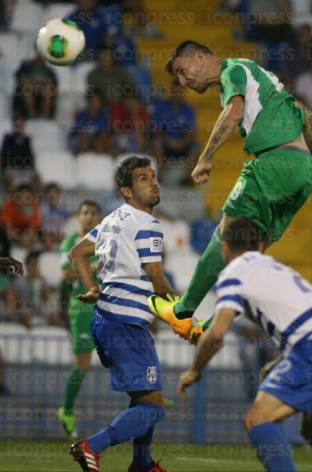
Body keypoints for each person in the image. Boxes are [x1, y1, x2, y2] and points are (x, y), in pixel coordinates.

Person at [148, 41, 312, 339]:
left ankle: (183, 310)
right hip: (304, 172)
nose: (183, 82)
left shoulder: (233, 70)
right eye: (179, 79)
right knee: (249, 254)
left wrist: (205, 157)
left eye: (184, 72)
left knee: (224, 234)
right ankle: (209, 329)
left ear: (200, 58)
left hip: (273, 166)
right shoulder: (264, 80)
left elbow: (234, 113)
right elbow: (310, 118)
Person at [178, 217, 312, 472]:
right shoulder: (280, 269)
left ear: (225, 247)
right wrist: (281, 361)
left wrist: (195, 370)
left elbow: (216, 334)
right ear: (261, 245)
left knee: (257, 419)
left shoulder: (234, 272)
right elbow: (306, 319)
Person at [68, 156, 170, 472]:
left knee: (146, 397)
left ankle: (142, 464)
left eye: (153, 176)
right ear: (126, 191)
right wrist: (182, 315)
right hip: (125, 323)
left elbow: (77, 254)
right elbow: (157, 277)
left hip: (107, 318)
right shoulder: (147, 223)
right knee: (154, 408)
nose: (153, 182)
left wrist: (92, 287)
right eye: (143, 178)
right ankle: (90, 446)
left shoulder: (111, 219)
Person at [57, 200, 101, 439]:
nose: (89, 216)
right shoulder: (71, 241)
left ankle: (150, 396)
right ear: (79, 216)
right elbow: (64, 272)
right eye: (85, 212)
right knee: (83, 364)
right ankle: (66, 409)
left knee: (124, 348)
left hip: (104, 305)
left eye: (94, 213)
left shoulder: (104, 240)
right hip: (81, 306)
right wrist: (91, 267)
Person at [12, 51, 58, 119]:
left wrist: (42, 86)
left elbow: (54, 82)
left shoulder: (49, 71)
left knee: (49, 87)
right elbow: (18, 76)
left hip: (43, 94)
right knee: (27, 85)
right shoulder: (26, 66)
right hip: (27, 93)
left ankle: (46, 114)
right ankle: (31, 112)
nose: (40, 59)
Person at [0, 116, 40, 192]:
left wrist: (32, 167)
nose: (19, 126)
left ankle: (31, 198)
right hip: (12, 167)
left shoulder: (27, 139)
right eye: (17, 124)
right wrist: (2, 169)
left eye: (21, 124)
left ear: (24, 125)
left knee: (37, 178)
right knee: (9, 179)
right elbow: (3, 154)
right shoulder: (8, 137)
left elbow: (30, 155)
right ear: (14, 125)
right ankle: (14, 199)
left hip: (26, 168)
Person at [71, 90, 111, 155]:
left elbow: (104, 136)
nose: (96, 104)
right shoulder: (81, 116)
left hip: (95, 142)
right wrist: (91, 141)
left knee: (100, 144)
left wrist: (96, 142)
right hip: (82, 142)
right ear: (89, 102)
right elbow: (80, 136)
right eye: (94, 101)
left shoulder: (103, 117)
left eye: (98, 102)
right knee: (84, 143)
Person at [2, 184, 40, 248]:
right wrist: (19, 238)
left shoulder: (34, 206)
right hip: (12, 233)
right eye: (20, 196)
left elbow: (33, 227)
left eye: (27, 196)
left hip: (26, 232)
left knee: (35, 236)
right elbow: (6, 227)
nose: (23, 199)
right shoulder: (9, 205)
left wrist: (26, 237)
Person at [40, 183, 69, 250]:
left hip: (58, 234)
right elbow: (41, 225)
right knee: (47, 237)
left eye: (55, 195)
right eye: (49, 195)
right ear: (45, 196)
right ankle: (48, 255)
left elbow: (69, 216)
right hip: (46, 234)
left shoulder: (62, 208)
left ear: (58, 196)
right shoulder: (42, 208)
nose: (52, 197)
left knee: (65, 238)